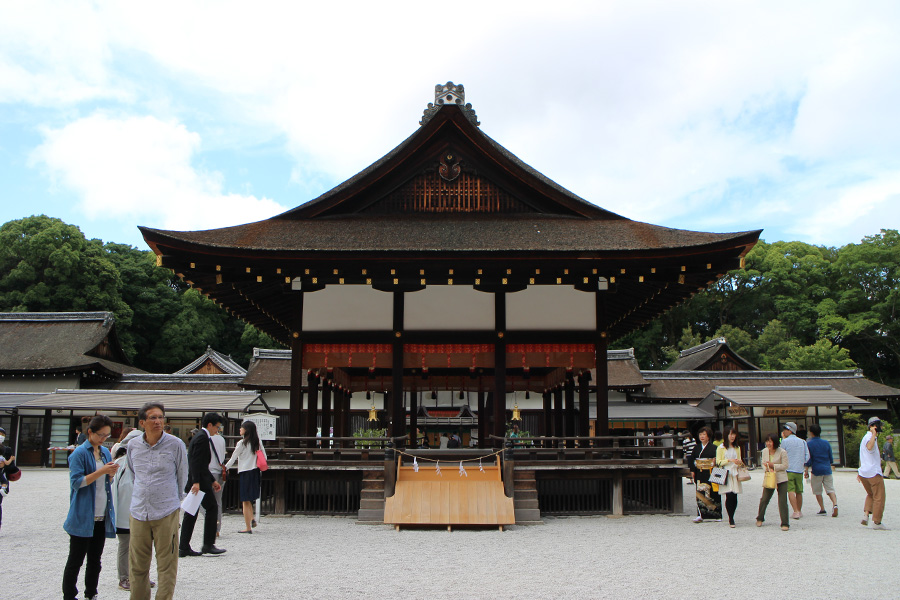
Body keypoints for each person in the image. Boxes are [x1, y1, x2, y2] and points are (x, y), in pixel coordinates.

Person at [127, 401, 188, 600]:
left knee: (167, 565)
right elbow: (133, 474)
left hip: (166, 510)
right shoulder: (133, 445)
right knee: (137, 566)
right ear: (142, 422)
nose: (158, 421)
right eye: (153, 418)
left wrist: (175, 501)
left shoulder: (175, 444)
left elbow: (182, 475)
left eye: (161, 417)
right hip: (138, 510)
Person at [62, 414, 118, 600]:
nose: (103, 439)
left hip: (102, 514)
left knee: (95, 560)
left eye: (107, 436)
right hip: (83, 514)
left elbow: (106, 482)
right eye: (101, 435)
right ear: (90, 432)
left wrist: (110, 475)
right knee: (76, 560)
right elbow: (77, 482)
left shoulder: (105, 452)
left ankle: (91, 593)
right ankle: (69, 595)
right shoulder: (79, 453)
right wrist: (102, 470)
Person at [110, 430, 156, 592]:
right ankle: (124, 577)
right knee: (126, 544)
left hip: (142, 511)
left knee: (143, 545)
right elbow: (118, 490)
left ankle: (140, 576)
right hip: (125, 512)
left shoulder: (143, 462)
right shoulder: (120, 463)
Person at [179, 413, 226, 557]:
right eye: (217, 427)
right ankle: (208, 544)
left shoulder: (200, 437)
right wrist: (197, 482)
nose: (217, 431)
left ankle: (184, 546)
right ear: (210, 425)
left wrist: (212, 480)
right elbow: (196, 462)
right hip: (200, 482)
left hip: (202, 480)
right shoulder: (202, 438)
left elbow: (200, 464)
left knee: (191, 513)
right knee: (212, 508)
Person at [225, 420, 266, 534]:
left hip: (245, 471)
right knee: (250, 499)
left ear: (246, 430)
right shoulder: (257, 442)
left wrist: (225, 467)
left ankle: (248, 527)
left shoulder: (241, 443)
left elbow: (233, 458)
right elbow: (264, 456)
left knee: (245, 500)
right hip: (255, 471)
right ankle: (252, 518)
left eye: (241, 428)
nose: (240, 429)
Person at [756, 433, 790, 531]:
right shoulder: (764, 451)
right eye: (767, 441)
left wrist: (773, 466)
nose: (768, 443)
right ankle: (760, 518)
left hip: (781, 478)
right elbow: (763, 463)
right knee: (764, 499)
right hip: (770, 476)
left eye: (770, 441)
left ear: (775, 442)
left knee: (782, 501)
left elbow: (785, 465)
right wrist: (766, 468)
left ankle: (785, 522)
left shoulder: (782, 452)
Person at [858, 416, 887, 530]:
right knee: (879, 497)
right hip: (873, 472)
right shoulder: (871, 437)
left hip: (864, 472)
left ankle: (866, 514)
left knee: (871, 494)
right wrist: (874, 434)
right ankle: (877, 522)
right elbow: (869, 447)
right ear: (873, 426)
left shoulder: (865, 437)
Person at [804, 423, 838, 517]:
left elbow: (808, 459)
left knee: (817, 491)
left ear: (811, 433)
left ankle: (822, 509)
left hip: (816, 469)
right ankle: (835, 504)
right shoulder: (826, 443)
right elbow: (831, 458)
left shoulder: (809, 444)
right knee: (830, 489)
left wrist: (806, 470)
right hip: (827, 469)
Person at [689, 426, 720, 523]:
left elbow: (718, 460)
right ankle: (701, 514)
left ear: (709, 436)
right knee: (700, 493)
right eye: (700, 434)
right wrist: (692, 470)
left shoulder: (714, 448)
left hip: (711, 472)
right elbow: (691, 459)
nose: (702, 436)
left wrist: (715, 462)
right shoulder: (697, 448)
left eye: (704, 434)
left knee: (713, 493)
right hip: (700, 472)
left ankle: (716, 514)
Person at [780, 422, 809, 520]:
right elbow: (807, 456)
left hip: (789, 469)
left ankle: (795, 511)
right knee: (799, 491)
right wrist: (802, 463)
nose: (784, 431)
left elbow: (781, 454)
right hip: (799, 470)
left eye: (785, 429)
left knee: (791, 490)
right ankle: (799, 510)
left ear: (790, 430)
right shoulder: (802, 441)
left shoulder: (785, 442)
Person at [716, 427, 744, 527]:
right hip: (726, 472)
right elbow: (718, 462)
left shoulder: (737, 448)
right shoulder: (721, 448)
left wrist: (739, 462)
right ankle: (730, 518)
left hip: (735, 472)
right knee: (729, 495)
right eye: (730, 434)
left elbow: (740, 460)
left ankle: (732, 515)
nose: (732, 436)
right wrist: (729, 460)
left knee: (735, 495)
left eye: (733, 434)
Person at [208, 425, 227, 535]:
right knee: (218, 501)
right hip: (220, 472)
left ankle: (211, 521)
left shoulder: (208, 439)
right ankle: (217, 528)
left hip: (210, 471)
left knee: (203, 500)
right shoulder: (222, 439)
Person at [0, 426, 16, 532]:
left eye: (2, 435)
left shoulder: (7, 450)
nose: (0, 437)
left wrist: (6, 464)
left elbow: (11, 468)